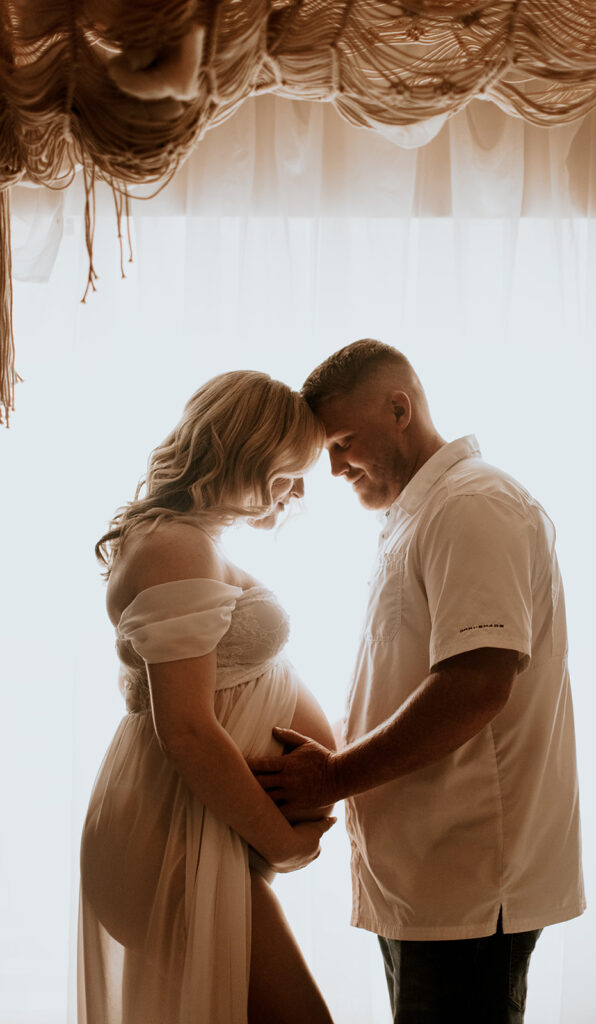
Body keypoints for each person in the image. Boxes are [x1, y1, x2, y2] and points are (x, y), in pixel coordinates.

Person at [251, 340, 586, 1023]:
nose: (334, 466)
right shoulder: (419, 514)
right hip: (427, 877)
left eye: (343, 442)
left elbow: (475, 685)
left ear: (399, 408)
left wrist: (333, 777)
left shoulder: (474, 505)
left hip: (468, 878)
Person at [78, 370, 338, 1024]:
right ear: (249, 451)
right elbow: (188, 731)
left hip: (195, 832)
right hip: (170, 835)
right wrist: (281, 840)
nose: (303, 488)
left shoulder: (190, 540)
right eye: (293, 468)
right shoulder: (175, 546)